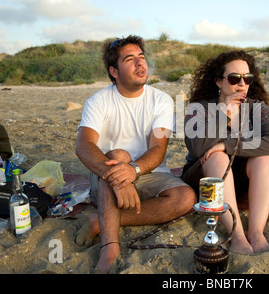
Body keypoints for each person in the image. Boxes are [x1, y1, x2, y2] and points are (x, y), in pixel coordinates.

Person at [75, 35, 197, 273]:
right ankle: (109, 246)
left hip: (146, 171)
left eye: (141, 57)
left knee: (186, 198)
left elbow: (157, 149)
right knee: (118, 153)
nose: (140, 64)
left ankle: (100, 221)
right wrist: (120, 178)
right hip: (105, 177)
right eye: (130, 59)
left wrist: (134, 171)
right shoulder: (98, 101)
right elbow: (84, 146)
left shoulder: (160, 100)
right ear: (114, 71)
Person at [181, 50, 269, 254]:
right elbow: (197, 147)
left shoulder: (258, 109)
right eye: (235, 78)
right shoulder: (198, 109)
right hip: (205, 179)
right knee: (217, 157)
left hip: (243, 181)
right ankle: (237, 236)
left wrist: (228, 145)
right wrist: (224, 113)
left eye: (247, 78)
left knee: (262, 158)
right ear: (219, 81)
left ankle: (256, 233)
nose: (242, 84)